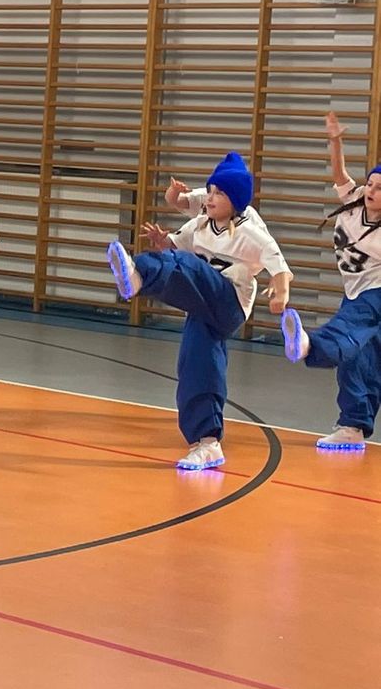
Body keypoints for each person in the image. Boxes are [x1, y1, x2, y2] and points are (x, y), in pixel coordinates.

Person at [106, 151, 292, 470]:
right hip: (204, 305)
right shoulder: (200, 224)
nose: (211, 198)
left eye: (219, 193)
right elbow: (176, 242)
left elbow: (279, 264)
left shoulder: (250, 230)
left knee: (184, 266)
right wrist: (163, 240)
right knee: (196, 364)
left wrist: (281, 292)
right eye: (210, 191)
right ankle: (207, 443)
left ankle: (138, 277)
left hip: (229, 301)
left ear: (236, 200)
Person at [278, 112, 381, 450]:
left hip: (375, 294)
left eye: (380, 188)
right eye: (371, 183)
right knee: (360, 360)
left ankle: (309, 345)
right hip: (355, 291)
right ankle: (354, 426)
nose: (372, 190)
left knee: (347, 329)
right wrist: (335, 140)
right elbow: (339, 173)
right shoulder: (353, 201)